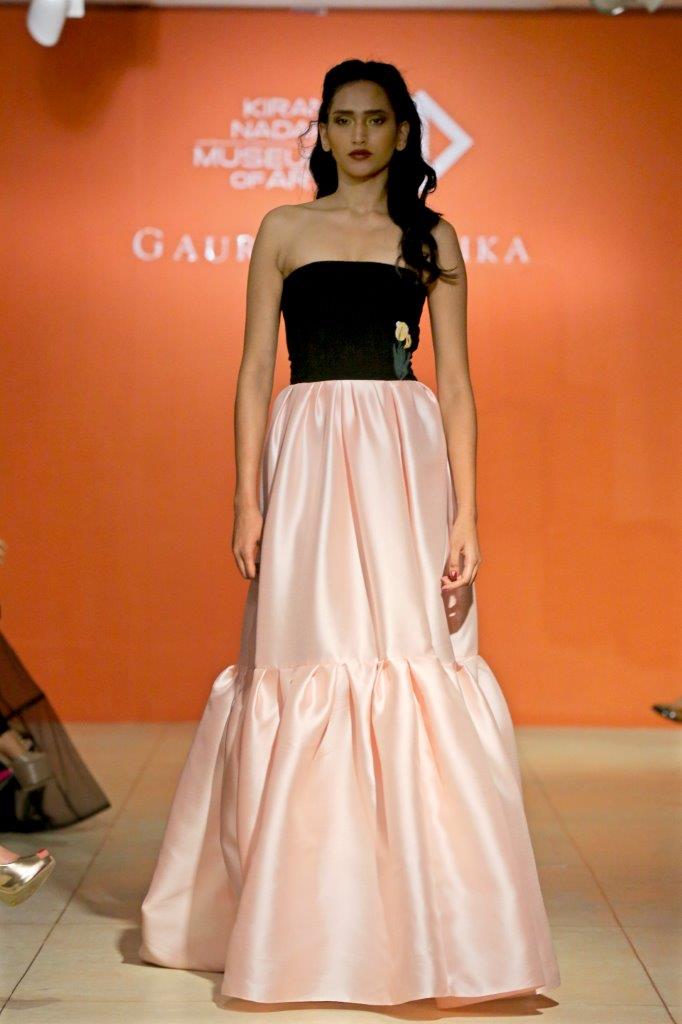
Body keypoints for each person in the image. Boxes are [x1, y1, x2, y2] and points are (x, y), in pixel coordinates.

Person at [139, 59, 561, 1008]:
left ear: (403, 132)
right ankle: (302, 922)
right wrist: (246, 498)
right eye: (342, 119)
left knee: (412, 658)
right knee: (306, 656)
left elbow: (459, 383)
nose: (359, 135)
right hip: (309, 459)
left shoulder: (432, 237)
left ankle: (428, 924)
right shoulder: (283, 229)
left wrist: (467, 511)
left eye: (375, 119)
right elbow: (255, 371)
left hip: (403, 458)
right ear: (322, 131)